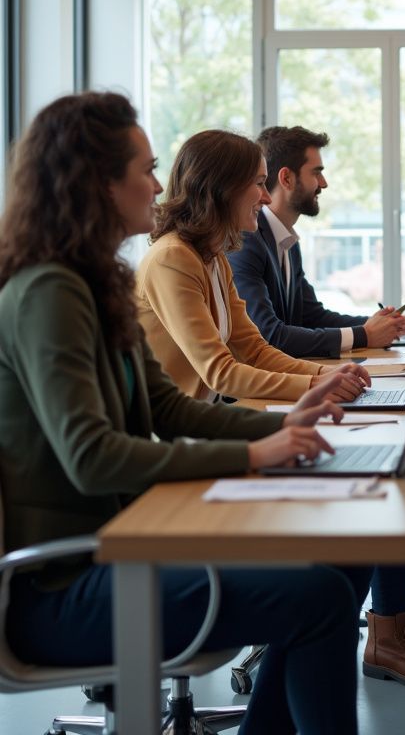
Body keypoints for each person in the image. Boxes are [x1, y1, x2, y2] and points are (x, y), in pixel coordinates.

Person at [0, 92, 370, 734]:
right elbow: (93, 459)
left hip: (119, 544)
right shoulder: (48, 293)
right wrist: (258, 453)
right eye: (144, 170)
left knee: (341, 564)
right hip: (61, 586)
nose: (157, 185)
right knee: (319, 597)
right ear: (96, 182)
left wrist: (286, 425)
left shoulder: (93, 282)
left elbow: (167, 406)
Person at [137, 127, 405, 688]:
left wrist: (325, 376)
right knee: (356, 500)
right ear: (220, 190)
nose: (265, 199)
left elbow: (254, 348)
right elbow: (219, 371)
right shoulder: (172, 261)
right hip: (180, 450)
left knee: (369, 488)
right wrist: (316, 388)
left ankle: (388, 623)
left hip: (216, 433)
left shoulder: (212, 257)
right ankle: (383, 629)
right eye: (256, 186)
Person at [228, 125, 405, 356]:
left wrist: (378, 324)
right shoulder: (247, 241)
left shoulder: (286, 240)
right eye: (316, 172)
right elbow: (269, 334)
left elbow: (310, 316)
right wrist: (364, 334)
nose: (323, 183)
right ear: (286, 178)